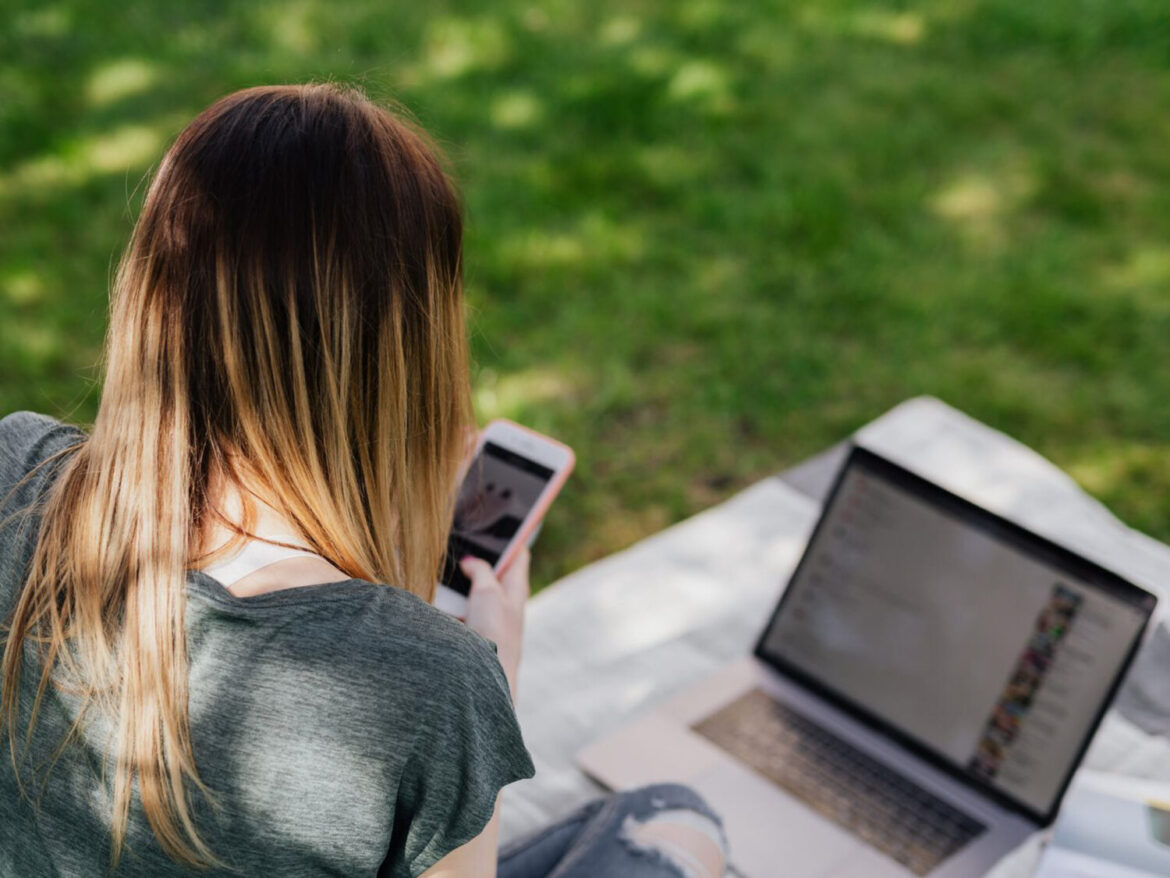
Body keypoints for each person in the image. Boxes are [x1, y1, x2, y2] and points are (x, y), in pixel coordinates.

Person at [0, 84, 729, 877]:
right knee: (673, 823)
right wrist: (489, 668)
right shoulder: (433, 684)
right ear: (408, 348)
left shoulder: (16, 466)